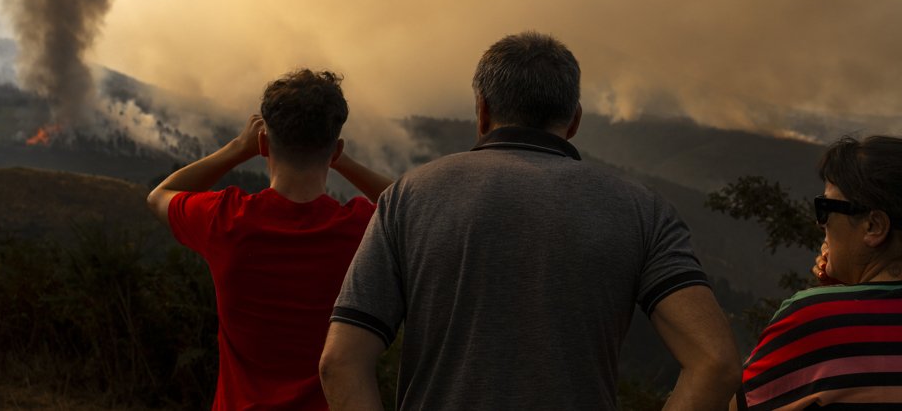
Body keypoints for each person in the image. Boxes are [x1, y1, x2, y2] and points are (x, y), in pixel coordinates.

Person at [319, 31, 741, 410]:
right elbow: (716, 361)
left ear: (482, 111)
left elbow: (340, 363)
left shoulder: (407, 199)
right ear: (574, 120)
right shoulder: (643, 210)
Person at [146, 69, 392, 411]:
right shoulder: (361, 227)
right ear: (335, 149)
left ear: (263, 144)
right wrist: (341, 161)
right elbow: (414, 204)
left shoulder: (225, 219)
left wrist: (238, 148)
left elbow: (160, 195)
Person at [735, 135, 902, 410]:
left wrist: (830, 302)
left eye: (825, 207)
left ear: (874, 226)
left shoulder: (814, 320)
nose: (820, 223)